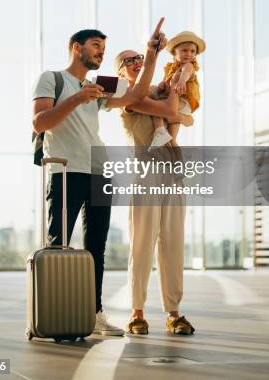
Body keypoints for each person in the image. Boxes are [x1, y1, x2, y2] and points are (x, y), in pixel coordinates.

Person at [32, 19, 166, 336]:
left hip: (98, 170)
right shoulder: (52, 79)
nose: (101, 52)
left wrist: (152, 55)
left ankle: (94, 315)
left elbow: (135, 96)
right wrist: (78, 98)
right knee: (58, 247)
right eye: (96, 46)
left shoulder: (99, 87)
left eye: (104, 48)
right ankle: (57, 313)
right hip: (65, 169)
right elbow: (40, 122)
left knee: (97, 247)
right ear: (77, 48)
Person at [114, 48, 195, 336]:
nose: (136, 63)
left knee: (173, 242)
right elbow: (173, 112)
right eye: (129, 61)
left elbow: (186, 112)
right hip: (145, 174)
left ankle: (174, 313)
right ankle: (137, 313)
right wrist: (176, 87)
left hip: (172, 174)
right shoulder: (128, 98)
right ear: (121, 72)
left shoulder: (160, 89)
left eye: (139, 58)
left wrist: (182, 75)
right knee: (142, 244)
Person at [148, 31, 206, 152]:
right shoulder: (171, 69)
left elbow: (186, 73)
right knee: (172, 139)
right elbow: (167, 82)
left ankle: (159, 131)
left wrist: (181, 81)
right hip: (180, 105)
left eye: (192, 51)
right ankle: (179, 165)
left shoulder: (188, 66)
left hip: (182, 102)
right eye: (184, 50)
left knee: (156, 107)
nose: (189, 54)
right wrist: (163, 84)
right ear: (174, 52)